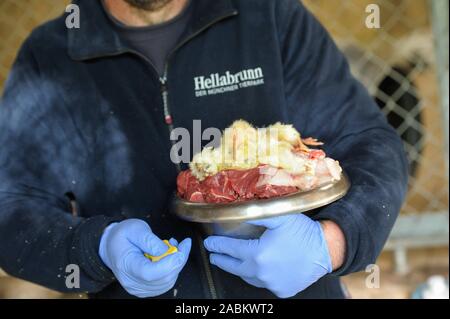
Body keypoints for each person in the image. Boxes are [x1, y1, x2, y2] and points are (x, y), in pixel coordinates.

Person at [0, 0, 408, 299]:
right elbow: (11, 208)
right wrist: (98, 248)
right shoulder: (52, 55)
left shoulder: (267, 17)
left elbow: (371, 143)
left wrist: (331, 243)